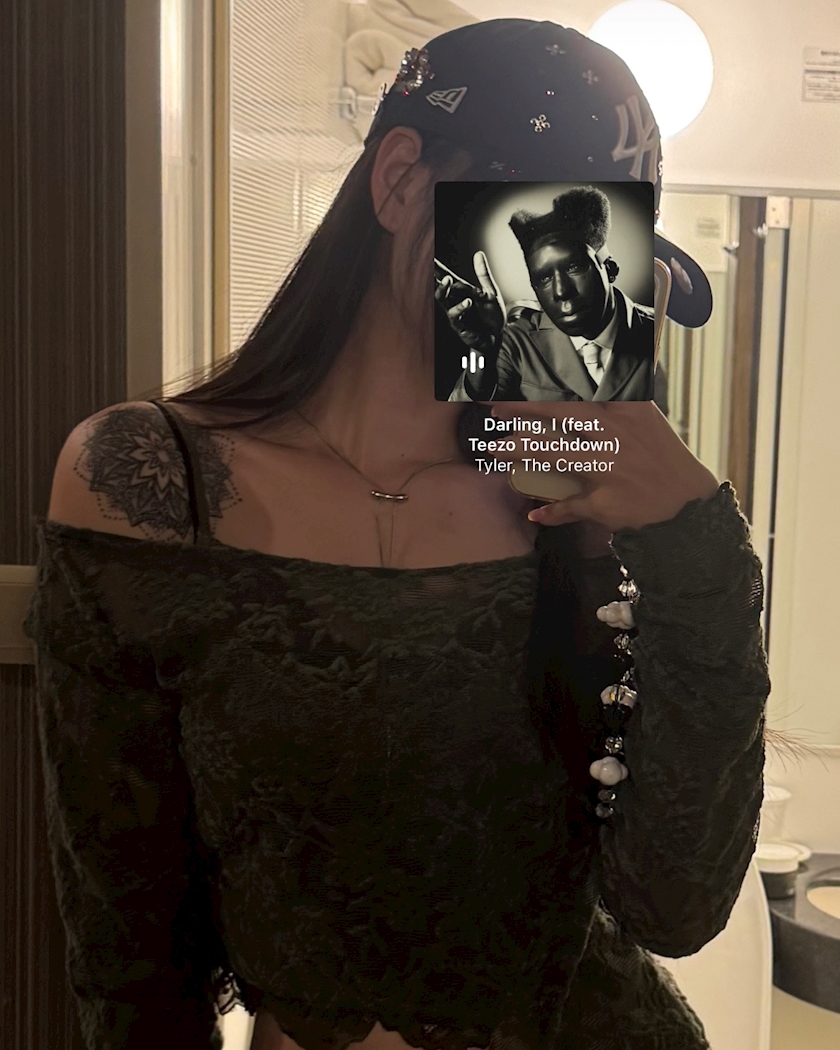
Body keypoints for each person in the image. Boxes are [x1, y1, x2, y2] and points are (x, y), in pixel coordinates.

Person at [24, 18, 768, 1050]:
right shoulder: (151, 482)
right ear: (402, 179)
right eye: (545, 245)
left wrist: (694, 539)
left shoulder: (584, 514)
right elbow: (127, 940)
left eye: (615, 263)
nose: (578, 299)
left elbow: (673, 908)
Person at [444, 187, 657, 402]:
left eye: (574, 267)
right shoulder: (516, 339)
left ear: (610, 269)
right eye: (544, 279)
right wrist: (480, 354)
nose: (561, 291)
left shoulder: (659, 334)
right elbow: (461, 414)